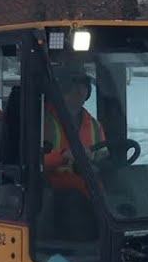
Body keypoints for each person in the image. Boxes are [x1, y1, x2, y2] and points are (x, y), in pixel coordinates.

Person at [42, 63, 105, 194]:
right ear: (59, 89)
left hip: (90, 197)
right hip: (52, 198)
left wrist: (96, 164)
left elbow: (105, 161)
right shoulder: (41, 121)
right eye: (71, 84)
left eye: (83, 84)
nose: (79, 90)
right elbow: (31, 164)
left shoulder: (94, 125)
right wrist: (63, 156)